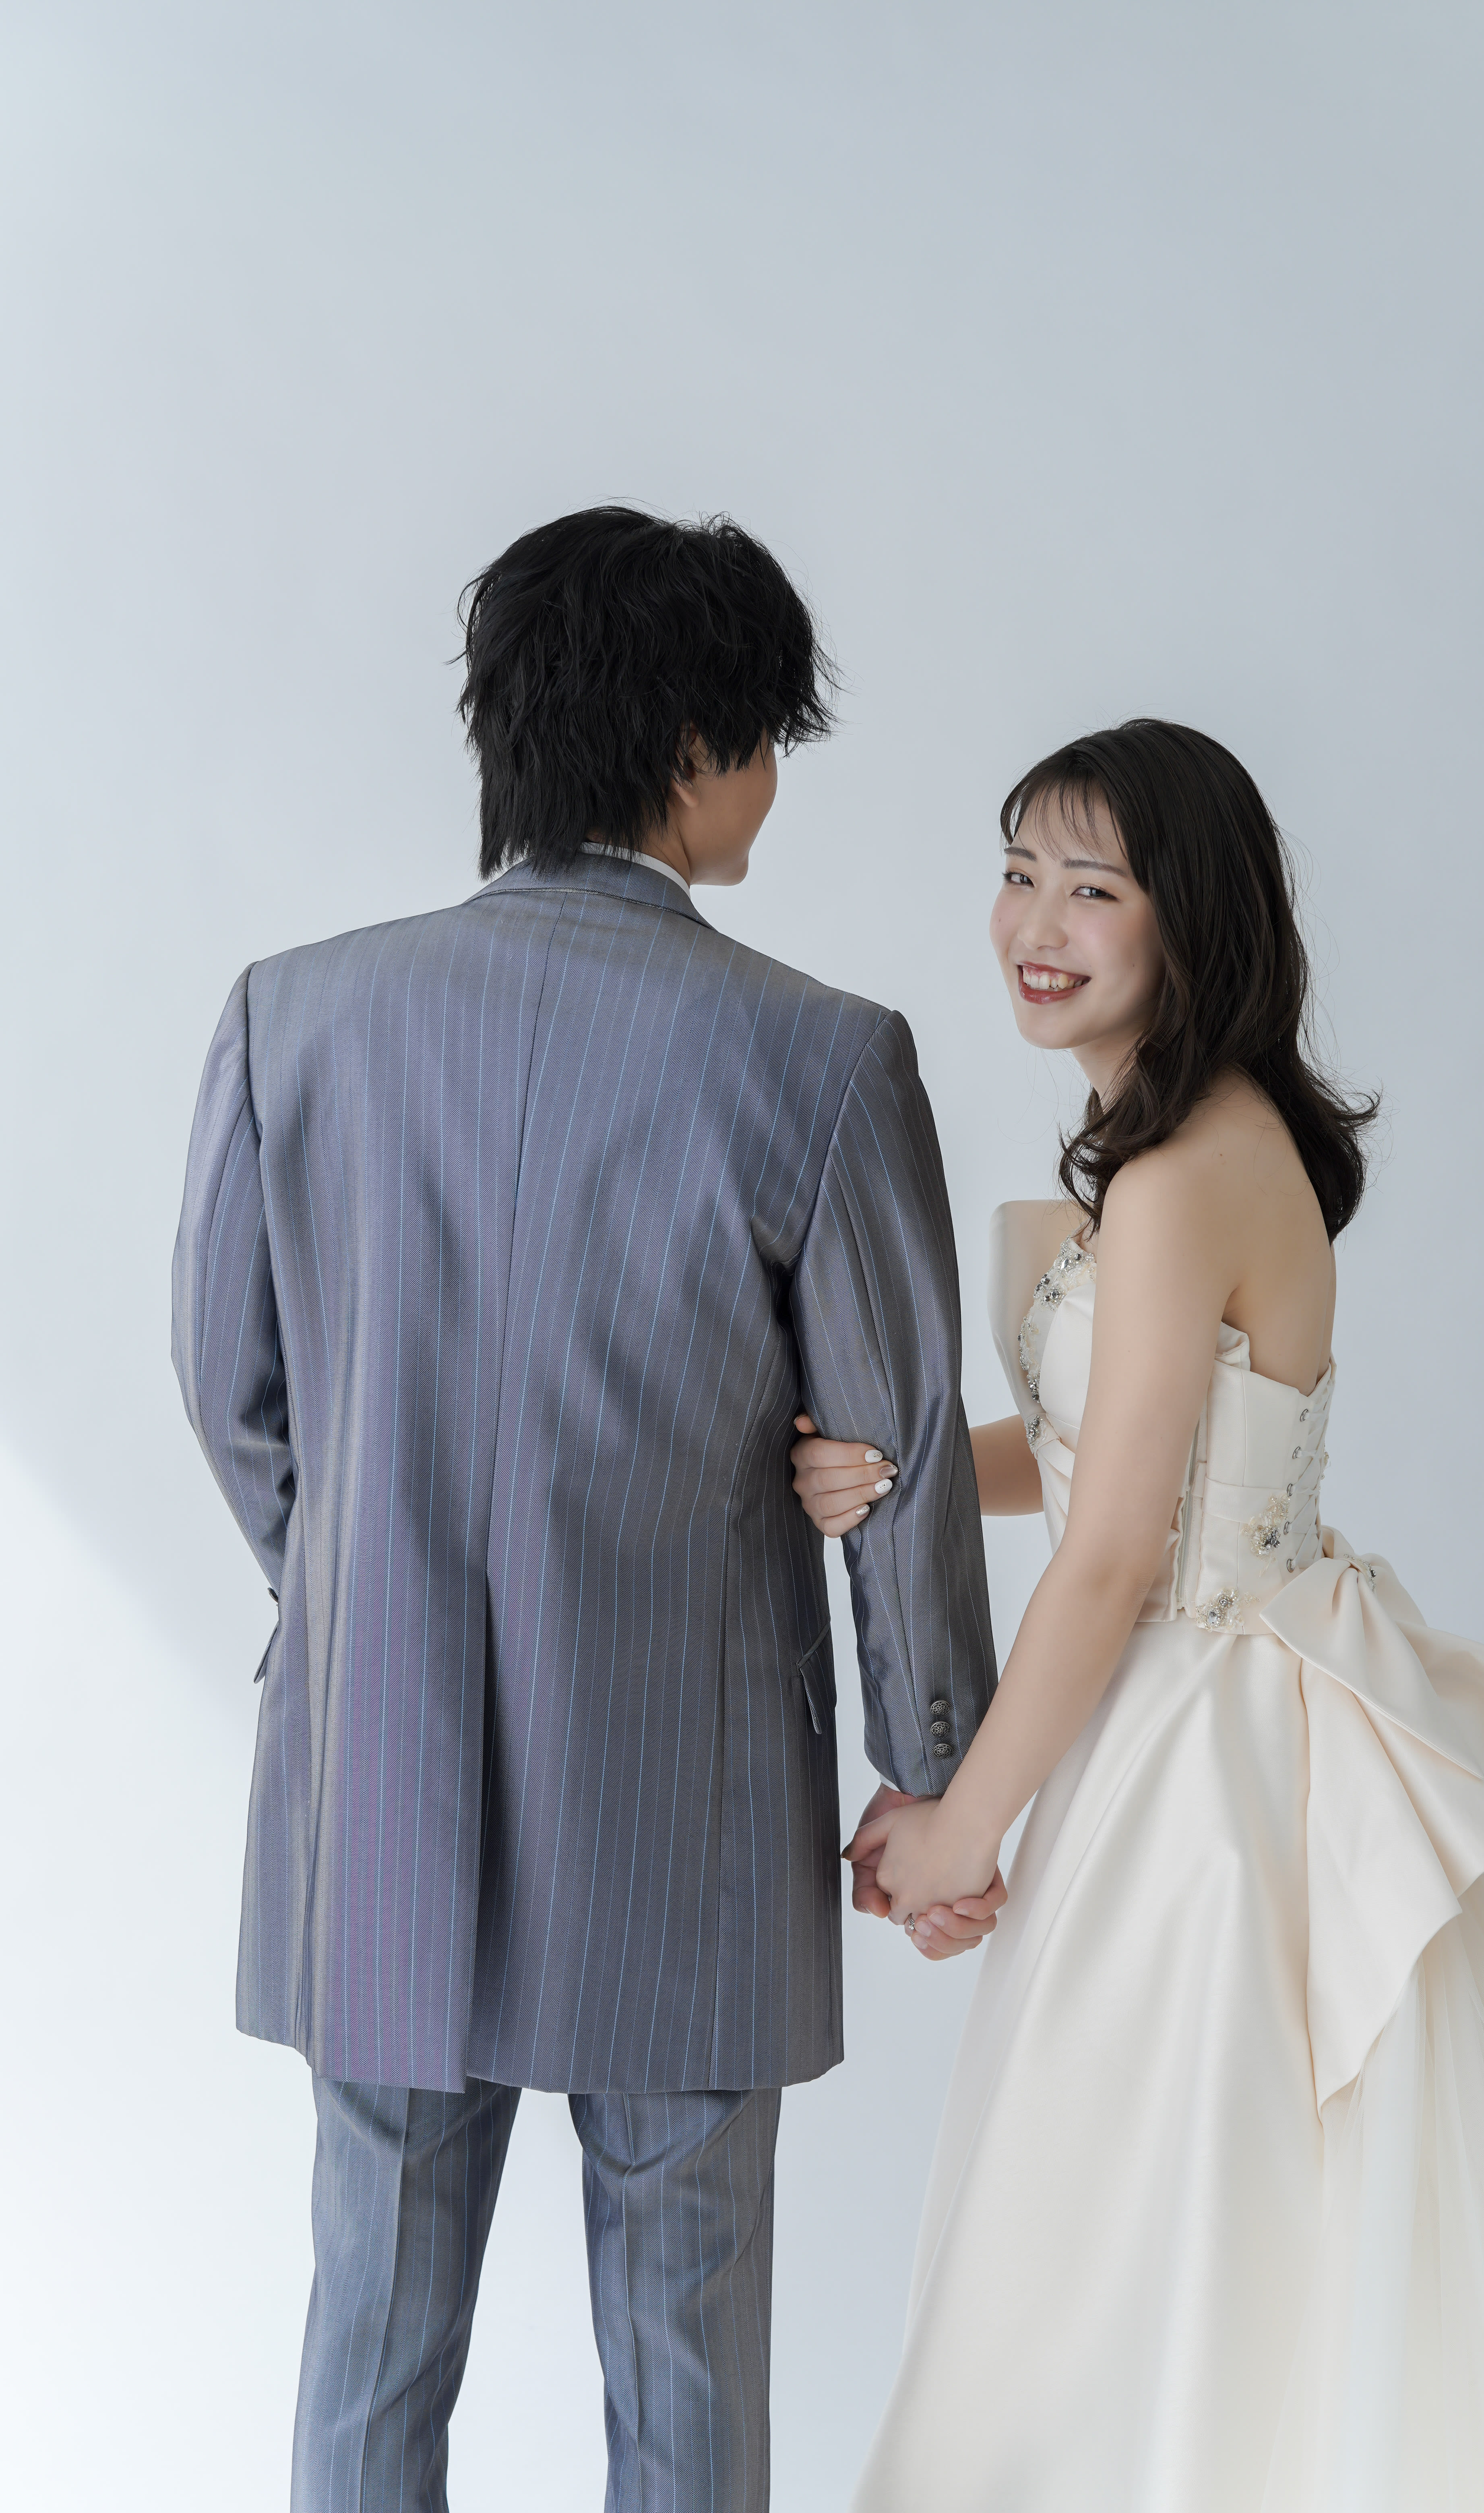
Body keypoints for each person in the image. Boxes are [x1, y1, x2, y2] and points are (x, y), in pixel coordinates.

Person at [170, 505, 1003, 2513]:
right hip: (686, 1810)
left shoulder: (298, 1013)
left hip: (378, 1781)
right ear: (694, 748)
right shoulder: (821, 1056)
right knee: (685, 2364)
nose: (772, 782)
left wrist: (357, 1590)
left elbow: (230, 1387)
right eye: (765, 738)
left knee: (368, 2348)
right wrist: (936, 1774)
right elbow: (890, 1451)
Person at [792, 719, 1484, 2509]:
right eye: (1018, 873)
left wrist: (965, 1825)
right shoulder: (1194, 1145)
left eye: (1091, 889)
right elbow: (1103, 1460)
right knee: (1179, 2226)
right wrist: (898, 1476)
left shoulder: (1185, 1174)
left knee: (1129, 2247)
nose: (1034, 923)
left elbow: (1118, 1553)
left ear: (1190, 920)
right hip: (1210, 1712)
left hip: (1193, 1752)